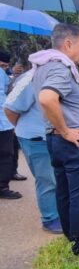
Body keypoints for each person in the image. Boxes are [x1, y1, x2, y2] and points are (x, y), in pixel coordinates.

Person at [30, 23, 79, 255]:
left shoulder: (42, 67)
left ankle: (73, 236)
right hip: (73, 142)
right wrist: (67, 130)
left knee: (66, 191)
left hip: (57, 141)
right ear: (68, 44)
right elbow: (47, 98)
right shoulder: (59, 67)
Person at [4, 81, 62, 233]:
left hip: (55, 136)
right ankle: (50, 219)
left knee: (57, 178)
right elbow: (10, 108)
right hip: (36, 138)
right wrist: (25, 129)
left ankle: (58, 212)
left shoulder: (60, 73)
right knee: (47, 179)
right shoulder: (31, 79)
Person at [0, 51, 22, 199]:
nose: (4, 68)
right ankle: (2, 187)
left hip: (4, 120)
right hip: (3, 121)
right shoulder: (2, 74)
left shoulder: (4, 74)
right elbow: (8, 94)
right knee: (6, 154)